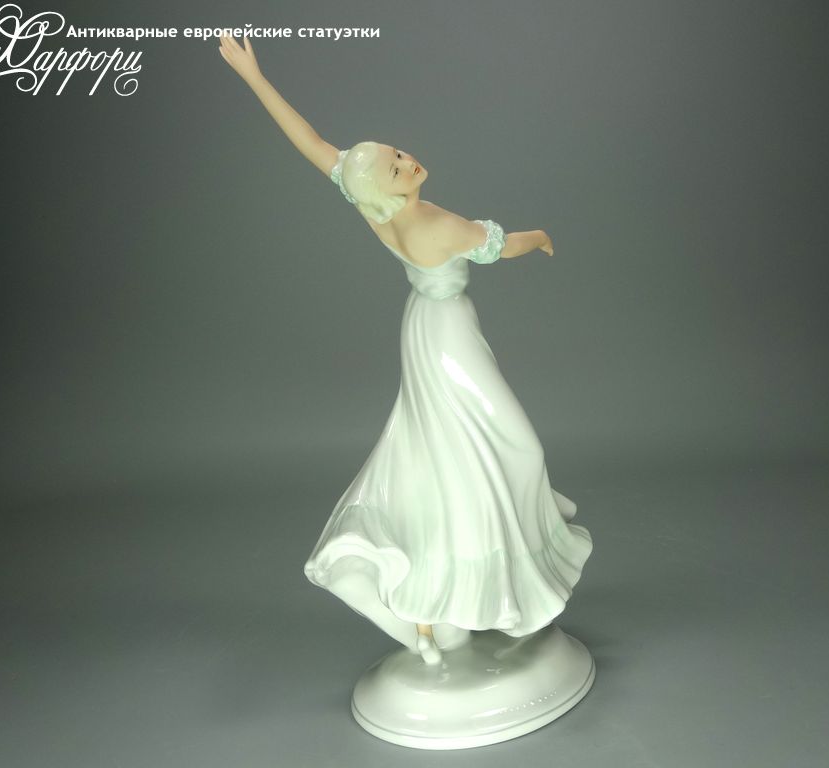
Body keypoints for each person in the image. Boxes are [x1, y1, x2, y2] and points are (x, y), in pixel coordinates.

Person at [219, 35, 592, 666]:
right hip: (446, 340)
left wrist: (253, 76)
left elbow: (311, 142)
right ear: (387, 189)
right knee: (512, 448)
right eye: (396, 168)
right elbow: (504, 246)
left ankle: (445, 599)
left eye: (397, 153)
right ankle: (481, 584)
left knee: (446, 454)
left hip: (424, 326)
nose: (407, 161)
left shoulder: (372, 203)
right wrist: (543, 235)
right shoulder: (436, 226)